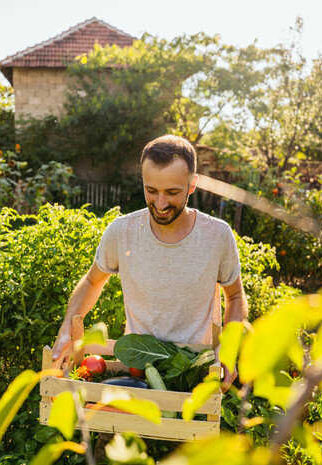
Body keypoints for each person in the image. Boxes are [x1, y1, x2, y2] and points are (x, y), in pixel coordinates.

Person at [51, 134, 248, 387]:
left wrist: (228, 349)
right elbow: (92, 282)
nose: (161, 203)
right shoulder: (122, 231)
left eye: (172, 192)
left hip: (195, 372)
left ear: (192, 185)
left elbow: (234, 296)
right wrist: (67, 327)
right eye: (151, 190)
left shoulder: (217, 236)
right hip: (137, 369)